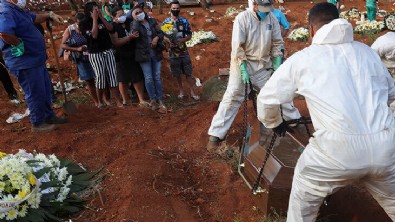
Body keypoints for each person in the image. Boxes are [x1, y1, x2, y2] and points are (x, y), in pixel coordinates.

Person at [257, 3, 395, 221]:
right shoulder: (367, 53)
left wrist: (274, 122)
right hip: (386, 147)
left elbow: (266, 99)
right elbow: (389, 94)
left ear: (311, 29)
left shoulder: (304, 58)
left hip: (336, 152)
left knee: (303, 198)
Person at [206, 0, 300, 150]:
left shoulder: (272, 19)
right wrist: (243, 69)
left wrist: (277, 63)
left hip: (263, 64)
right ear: (255, 5)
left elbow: (277, 43)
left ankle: (292, 119)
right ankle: (216, 134)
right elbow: (238, 47)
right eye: (263, 9)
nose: (266, 12)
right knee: (234, 95)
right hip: (242, 63)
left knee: (275, 92)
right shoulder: (242, 19)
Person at [0, 0, 66, 132]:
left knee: (45, 89)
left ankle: (48, 116)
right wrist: (18, 43)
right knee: (35, 92)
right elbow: (4, 33)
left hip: (35, 59)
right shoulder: (5, 11)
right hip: (24, 61)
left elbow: (33, 17)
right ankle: (37, 123)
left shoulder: (16, 9)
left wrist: (49, 15)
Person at [79, 1, 123, 108]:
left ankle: (118, 101)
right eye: (95, 10)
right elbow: (94, 35)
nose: (97, 11)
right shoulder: (84, 23)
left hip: (108, 50)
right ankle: (100, 102)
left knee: (112, 76)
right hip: (95, 53)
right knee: (100, 78)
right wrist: (94, 19)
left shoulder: (102, 20)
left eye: (98, 9)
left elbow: (111, 29)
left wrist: (102, 18)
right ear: (89, 12)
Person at [110, 7, 148, 107]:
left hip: (132, 54)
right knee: (123, 79)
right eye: (120, 15)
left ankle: (141, 99)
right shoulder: (113, 26)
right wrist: (129, 38)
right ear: (114, 17)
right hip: (121, 56)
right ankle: (125, 100)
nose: (123, 17)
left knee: (137, 77)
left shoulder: (129, 23)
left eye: (123, 14)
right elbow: (116, 42)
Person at [132, 6, 167, 113]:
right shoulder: (134, 24)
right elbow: (134, 34)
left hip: (155, 53)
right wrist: (136, 20)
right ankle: (153, 99)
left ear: (144, 12)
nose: (139, 14)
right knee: (148, 78)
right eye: (136, 13)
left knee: (156, 76)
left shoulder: (152, 21)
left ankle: (160, 99)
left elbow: (161, 32)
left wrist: (156, 38)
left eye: (140, 12)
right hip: (143, 55)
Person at [162, 1, 199, 101]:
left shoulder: (184, 21)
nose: (175, 10)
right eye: (173, 8)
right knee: (177, 74)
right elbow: (163, 36)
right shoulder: (166, 22)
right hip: (173, 53)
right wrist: (168, 40)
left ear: (180, 9)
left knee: (188, 73)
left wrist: (182, 40)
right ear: (170, 9)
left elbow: (189, 35)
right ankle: (181, 91)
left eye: (177, 8)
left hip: (184, 52)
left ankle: (192, 92)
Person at [60, 12, 99, 107]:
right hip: (81, 58)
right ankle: (97, 101)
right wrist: (77, 49)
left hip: (94, 55)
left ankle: (104, 99)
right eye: (79, 23)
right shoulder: (70, 29)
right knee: (90, 81)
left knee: (100, 78)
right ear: (76, 23)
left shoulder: (89, 26)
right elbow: (63, 44)